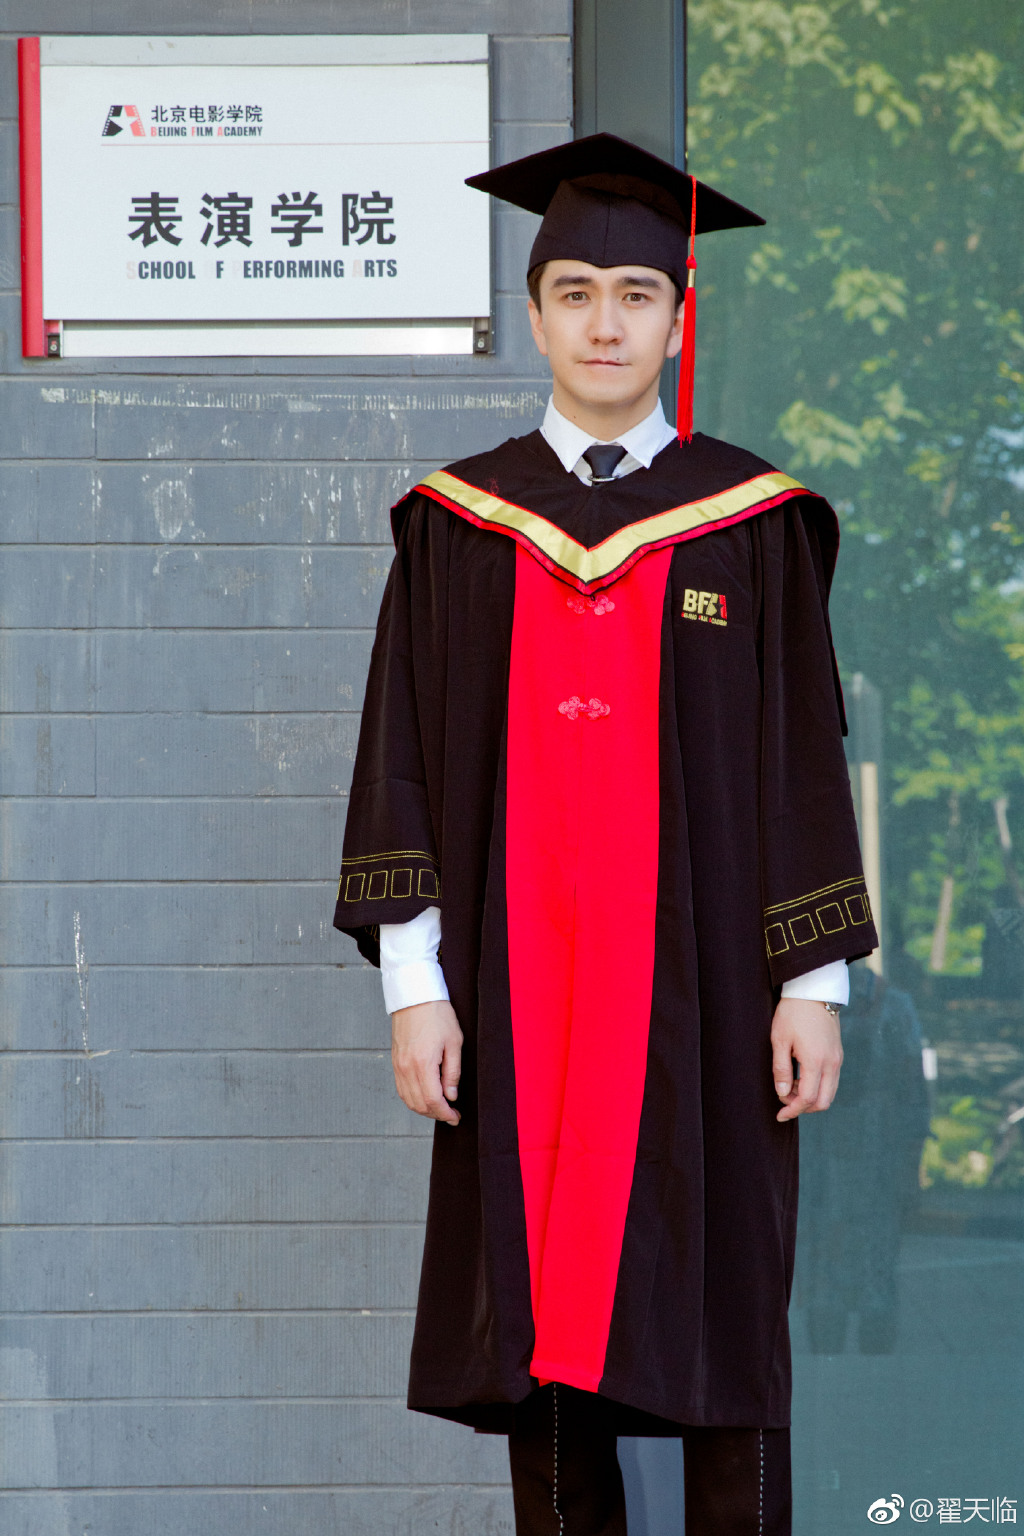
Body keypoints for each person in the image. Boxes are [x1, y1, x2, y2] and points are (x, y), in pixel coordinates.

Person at [334, 133, 878, 1536]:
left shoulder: (749, 523)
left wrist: (813, 985)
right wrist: (415, 988)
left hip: (710, 993)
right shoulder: (459, 526)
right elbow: (397, 754)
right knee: (544, 1326)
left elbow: (799, 763)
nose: (605, 323)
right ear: (534, 316)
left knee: (726, 1311)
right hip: (515, 992)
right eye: (574, 292)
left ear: (677, 321)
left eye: (637, 295)